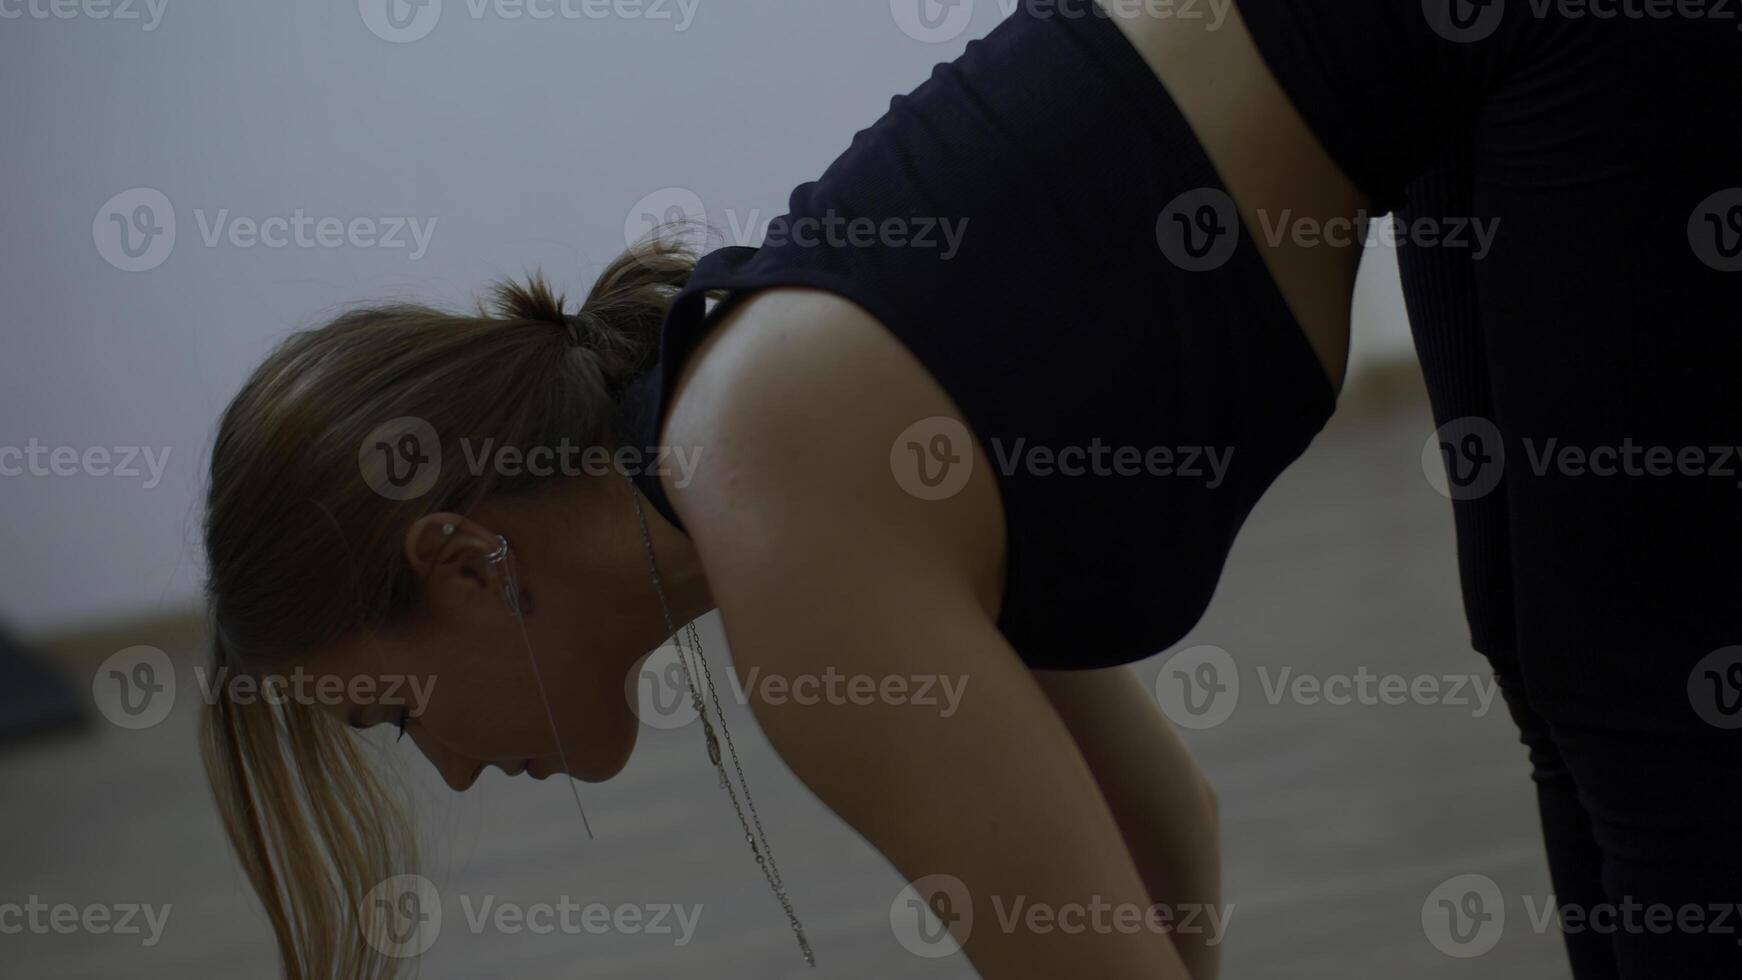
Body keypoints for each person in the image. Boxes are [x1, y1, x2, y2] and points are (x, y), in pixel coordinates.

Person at [199, 2, 1739, 978]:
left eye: (391, 719)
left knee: (1639, 731)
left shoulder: (772, 506)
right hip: (1491, 68)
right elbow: (1152, 841)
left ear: (464, 560)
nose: (451, 775)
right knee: (1582, 702)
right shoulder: (768, 464)